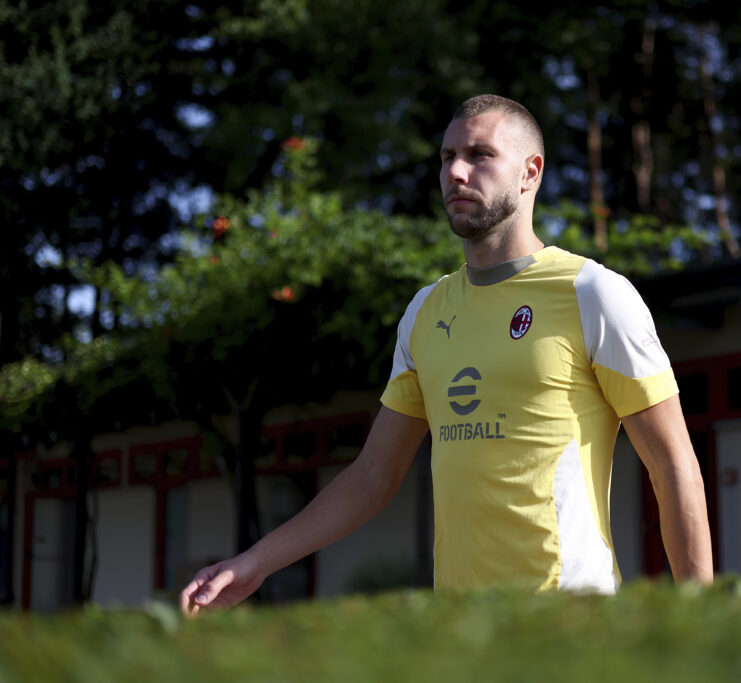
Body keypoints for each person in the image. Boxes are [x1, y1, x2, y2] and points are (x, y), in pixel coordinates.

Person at [180, 95, 712, 615]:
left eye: (480, 155)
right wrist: (255, 562)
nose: (456, 171)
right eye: (446, 157)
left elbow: (672, 466)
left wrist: (704, 623)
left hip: (570, 629)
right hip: (460, 639)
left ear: (530, 172)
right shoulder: (424, 312)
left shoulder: (592, 293)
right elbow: (372, 476)